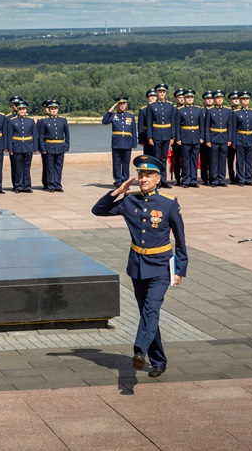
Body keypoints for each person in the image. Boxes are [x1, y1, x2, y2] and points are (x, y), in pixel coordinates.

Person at [91, 154, 188, 378]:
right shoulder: (129, 201)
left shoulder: (168, 203)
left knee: (151, 310)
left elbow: (180, 240)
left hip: (162, 267)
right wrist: (118, 191)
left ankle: (139, 351)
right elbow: (98, 211)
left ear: (158, 178)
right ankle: (159, 360)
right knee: (147, 314)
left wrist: (180, 269)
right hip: (137, 266)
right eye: (140, 175)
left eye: (148, 175)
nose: (143, 179)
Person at [102, 94, 138, 187]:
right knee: (116, 163)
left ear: (126, 104)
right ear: (117, 105)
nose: (122, 105)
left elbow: (134, 130)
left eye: (124, 103)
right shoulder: (114, 115)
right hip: (117, 143)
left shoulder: (130, 115)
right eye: (120, 104)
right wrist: (110, 111)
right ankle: (118, 181)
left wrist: (134, 143)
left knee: (126, 163)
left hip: (127, 142)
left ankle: (125, 181)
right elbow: (104, 121)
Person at [146, 83, 178, 188]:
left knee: (164, 158)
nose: (162, 94)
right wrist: (149, 137)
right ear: (157, 93)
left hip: (167, 135)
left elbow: (172, 122)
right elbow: (149, 122)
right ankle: (157, 180)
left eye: (163, 92)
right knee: (157, 158)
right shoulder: (151, 106)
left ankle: (163, 180)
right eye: (160, 92)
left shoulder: (170, 105)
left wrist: (172, 137)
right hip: (156, 135)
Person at [38, 99, 70, 192]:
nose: (53, 110)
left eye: (55, 108)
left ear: (58, 110)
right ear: (49, 110)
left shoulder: (63, 120)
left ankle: (58, 185)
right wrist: (43, 148)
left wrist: (66, 145)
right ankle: (51, 185)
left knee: (59, 167)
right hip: (49, 146)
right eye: (52, 108)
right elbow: (41, 136)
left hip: (60, 146)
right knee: (50, 167)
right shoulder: (45, 121)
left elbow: (67, 134)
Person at [6, 100, 37, 192]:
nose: (22, 111)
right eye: (20, 109)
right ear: (17, 110)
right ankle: (18, 186)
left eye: (23, 109)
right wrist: (10, 148)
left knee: (27, 168)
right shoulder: (12, 121)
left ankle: (27, 186)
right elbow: (9, 136)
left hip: (28, 146)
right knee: (17, 168)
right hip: (17, 147)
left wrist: (35, 147)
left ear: (26, 110)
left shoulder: (30, 121)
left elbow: (34, 135)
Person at [204, 90, 232, 187]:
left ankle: (221, 179)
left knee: (222, 160)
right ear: (215, 99)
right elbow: (207, 126)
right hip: (213, 138)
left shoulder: (227, 111)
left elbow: (230, 126)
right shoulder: (210, 110)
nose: (219, 100)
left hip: (224, 137)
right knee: (213, 160)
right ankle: (214, 179)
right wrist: (207, 140)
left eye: (221, 98)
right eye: (217, 98)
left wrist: (229, 139)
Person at [175, 89, 202, 188]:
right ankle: (186, 180)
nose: (190, 99)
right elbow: (177, 126)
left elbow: (201, 125)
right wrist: (178, 138)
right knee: (185, 160)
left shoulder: (198, 110)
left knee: (194, 160)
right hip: (185, 137)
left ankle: (193, 180)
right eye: (188, 97)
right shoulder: (180, 110)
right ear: (185, 98)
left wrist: (202, 137)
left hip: (196, 137)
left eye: (191, 97)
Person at [231, 91, 252, 186]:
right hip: (240, 138)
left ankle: (248, 178)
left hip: (251, 138)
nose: (245, 101)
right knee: (240, 161)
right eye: (243, 99)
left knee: (249, 160)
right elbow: (233, 128)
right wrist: (234, 142)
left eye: (247, 99)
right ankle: (241, 179)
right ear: (240, 100)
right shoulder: (236, 113)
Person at [198, 91, 213, 185]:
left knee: (213, 160)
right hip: (203, 139)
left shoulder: (215, 110)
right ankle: (204, 178)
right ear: (204, 100)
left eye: (211, 98)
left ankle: (212, 177)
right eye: (207, 98)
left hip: (214, 138)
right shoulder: (201, 111)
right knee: (204, 159)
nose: (209, 100)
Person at [171, 89, 186, 185]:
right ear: (176, 98)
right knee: (177, 159)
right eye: (179, 97)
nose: (181, 99)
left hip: (187, 137)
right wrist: (174, 137)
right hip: (177, 137)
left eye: (183, 97)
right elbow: (173, 124)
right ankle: (177, 177)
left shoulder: (190, 108)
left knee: (186, 159)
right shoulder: (174, 109)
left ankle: (185, 177)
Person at [137, 89, 158, 155]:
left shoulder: (160, 108)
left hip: (158, 135)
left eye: (154, 96)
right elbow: (140, 126)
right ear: (148, 98)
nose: (153, 97)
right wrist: (141, 140)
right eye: (151, 96)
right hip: (146, 136)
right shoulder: (143, 110)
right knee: (148, 155)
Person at [226, 91, 240, 184]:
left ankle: (239, 176)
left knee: (240, 160)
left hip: (240, 138)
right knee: (230, 159)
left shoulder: (243, 110)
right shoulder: (228, 111)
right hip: (231, 139)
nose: (236, 100)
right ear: (230, 101)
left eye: (237, 99)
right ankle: (232, 176)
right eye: (234, 99)